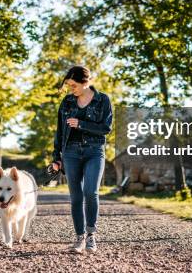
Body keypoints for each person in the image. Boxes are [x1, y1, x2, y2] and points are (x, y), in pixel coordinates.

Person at [49, 65, 113, 253]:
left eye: (73, 85)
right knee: (76, 196)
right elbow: (60, 131)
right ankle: (79, 238)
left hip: (94, 151)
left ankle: (91, 236)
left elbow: (106, 128)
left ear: (85, 83)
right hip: (70, 153)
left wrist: (81, 124)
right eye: (69, 85)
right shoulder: (67, 102)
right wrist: (56, 157)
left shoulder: (102, 100)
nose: (71, 89)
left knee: (90, 192)